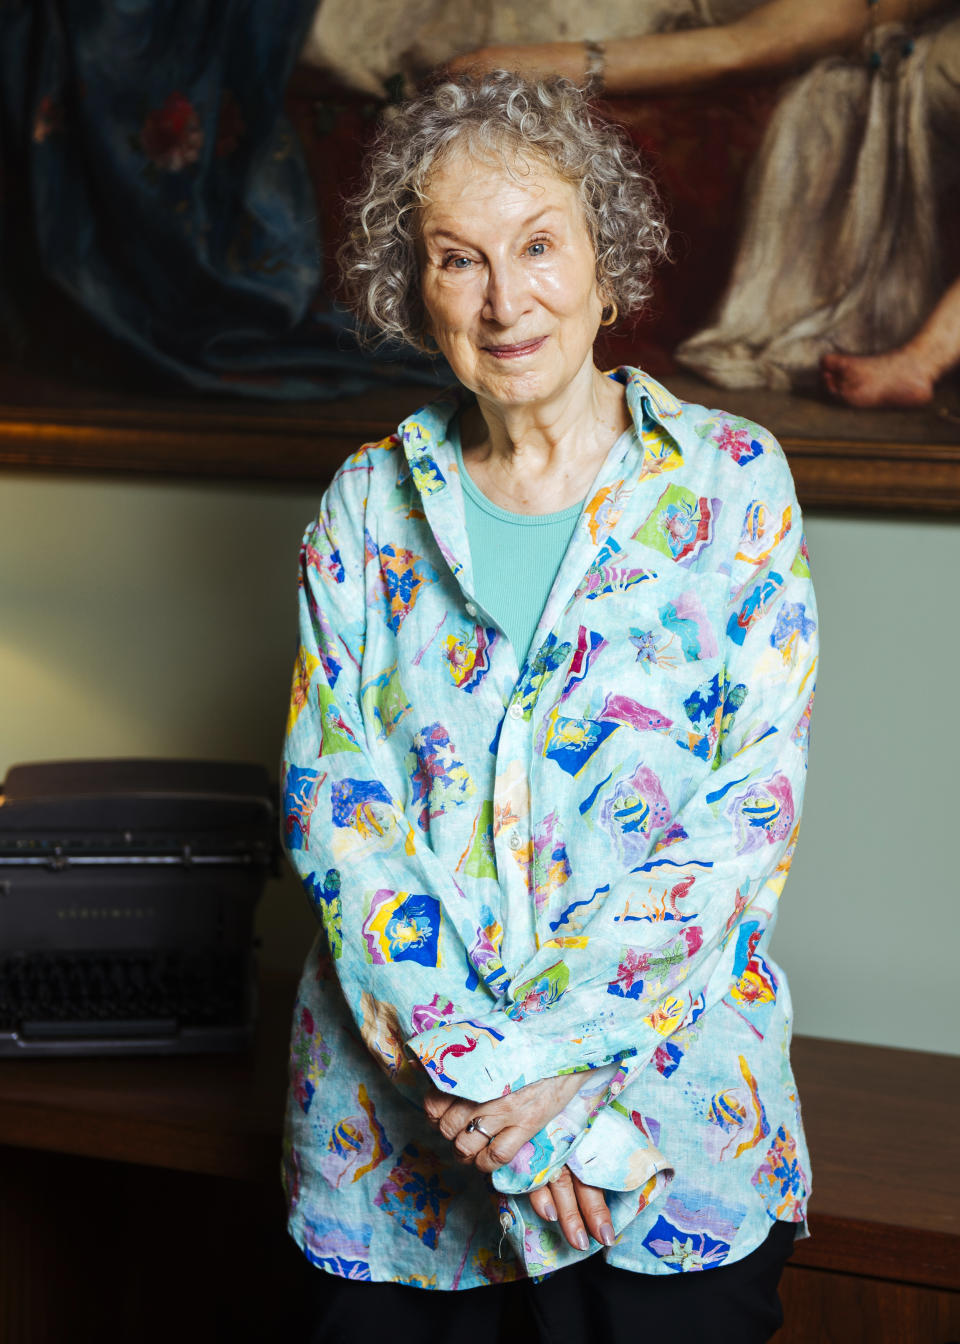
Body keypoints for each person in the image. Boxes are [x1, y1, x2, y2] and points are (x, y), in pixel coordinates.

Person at [281, 71, 818, 1344]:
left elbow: (747, 816)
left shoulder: (735, 487)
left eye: (537, 246)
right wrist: (491, 1085)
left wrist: (559, 1092)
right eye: (458, 261)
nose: (505, 299)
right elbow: (336, 816)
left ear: (607, 262)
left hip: (666, 1141)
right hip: (396, 1170)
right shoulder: (365, 507)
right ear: (416, 292)